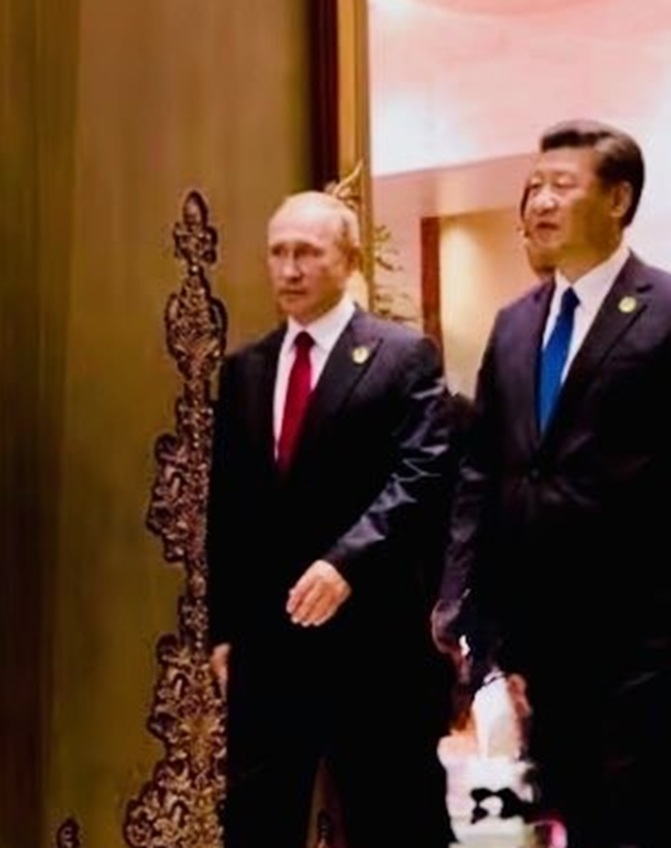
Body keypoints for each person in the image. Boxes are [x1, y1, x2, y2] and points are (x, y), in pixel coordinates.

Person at [433, 118, 671, 848]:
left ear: (618, 200)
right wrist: (461, 593)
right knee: (577, 815)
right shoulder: (515, 324)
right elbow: (484, 469)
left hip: (654, 632)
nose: (539, 203)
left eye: (562, 185)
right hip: (545, 633)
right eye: (532, 187)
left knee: (665, 817)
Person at [205, 190, 455, 848]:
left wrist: (346, 563)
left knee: (391, 814)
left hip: (371, 643)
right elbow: (228, 507)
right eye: (278, 253)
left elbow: (422, 474)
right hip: (269, 647)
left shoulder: (403, 356)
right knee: (258, 819)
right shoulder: (245, 370)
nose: (289, 269)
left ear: (346, 260)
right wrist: (225, 631)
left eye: (307, 253)